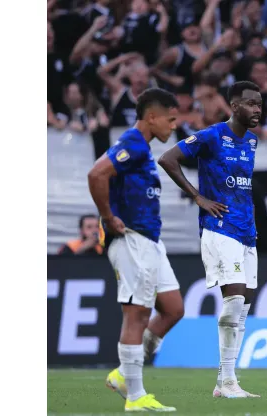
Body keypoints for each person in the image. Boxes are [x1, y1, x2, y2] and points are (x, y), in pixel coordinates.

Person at [158, 81, 263, 399]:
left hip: (247, 230)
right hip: (219, 228)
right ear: (234, 106)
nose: (257, 109)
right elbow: (167, 159)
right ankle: (227, 381)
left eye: (259, 104)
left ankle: (226, 381)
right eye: (250, 103)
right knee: (233, 303)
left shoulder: (252, 141)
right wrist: (197, 197)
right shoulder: (212, 135)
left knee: (243, 306)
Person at [86, 88, 182, 412]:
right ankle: (135, 396)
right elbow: (97, 173)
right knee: (137, 314)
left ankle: (123, 374)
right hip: (131, 238)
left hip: (151, 241)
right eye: (170, 120)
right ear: (151, 117)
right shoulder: (133, 144)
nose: (174, 126)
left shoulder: (143, 149)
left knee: (172, 308)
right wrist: (107, 216)